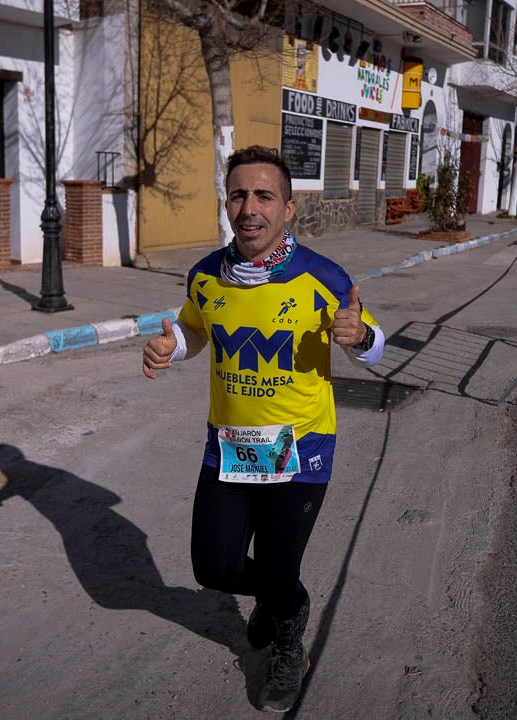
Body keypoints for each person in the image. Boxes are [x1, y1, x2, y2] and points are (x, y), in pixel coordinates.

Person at [142, 145, 384, 712]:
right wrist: (169, 346)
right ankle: (286, 603)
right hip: (229, 448)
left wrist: (361, 337)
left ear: (288, 208)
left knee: (278, 564)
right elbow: (193, 330)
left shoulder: (323, 277)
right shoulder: (206, 276)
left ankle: (286, 641)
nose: (249, 207)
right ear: (227, 203)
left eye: (264, 196)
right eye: (238, 195)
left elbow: (371, 342)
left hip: (300, 450)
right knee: (215, 567)